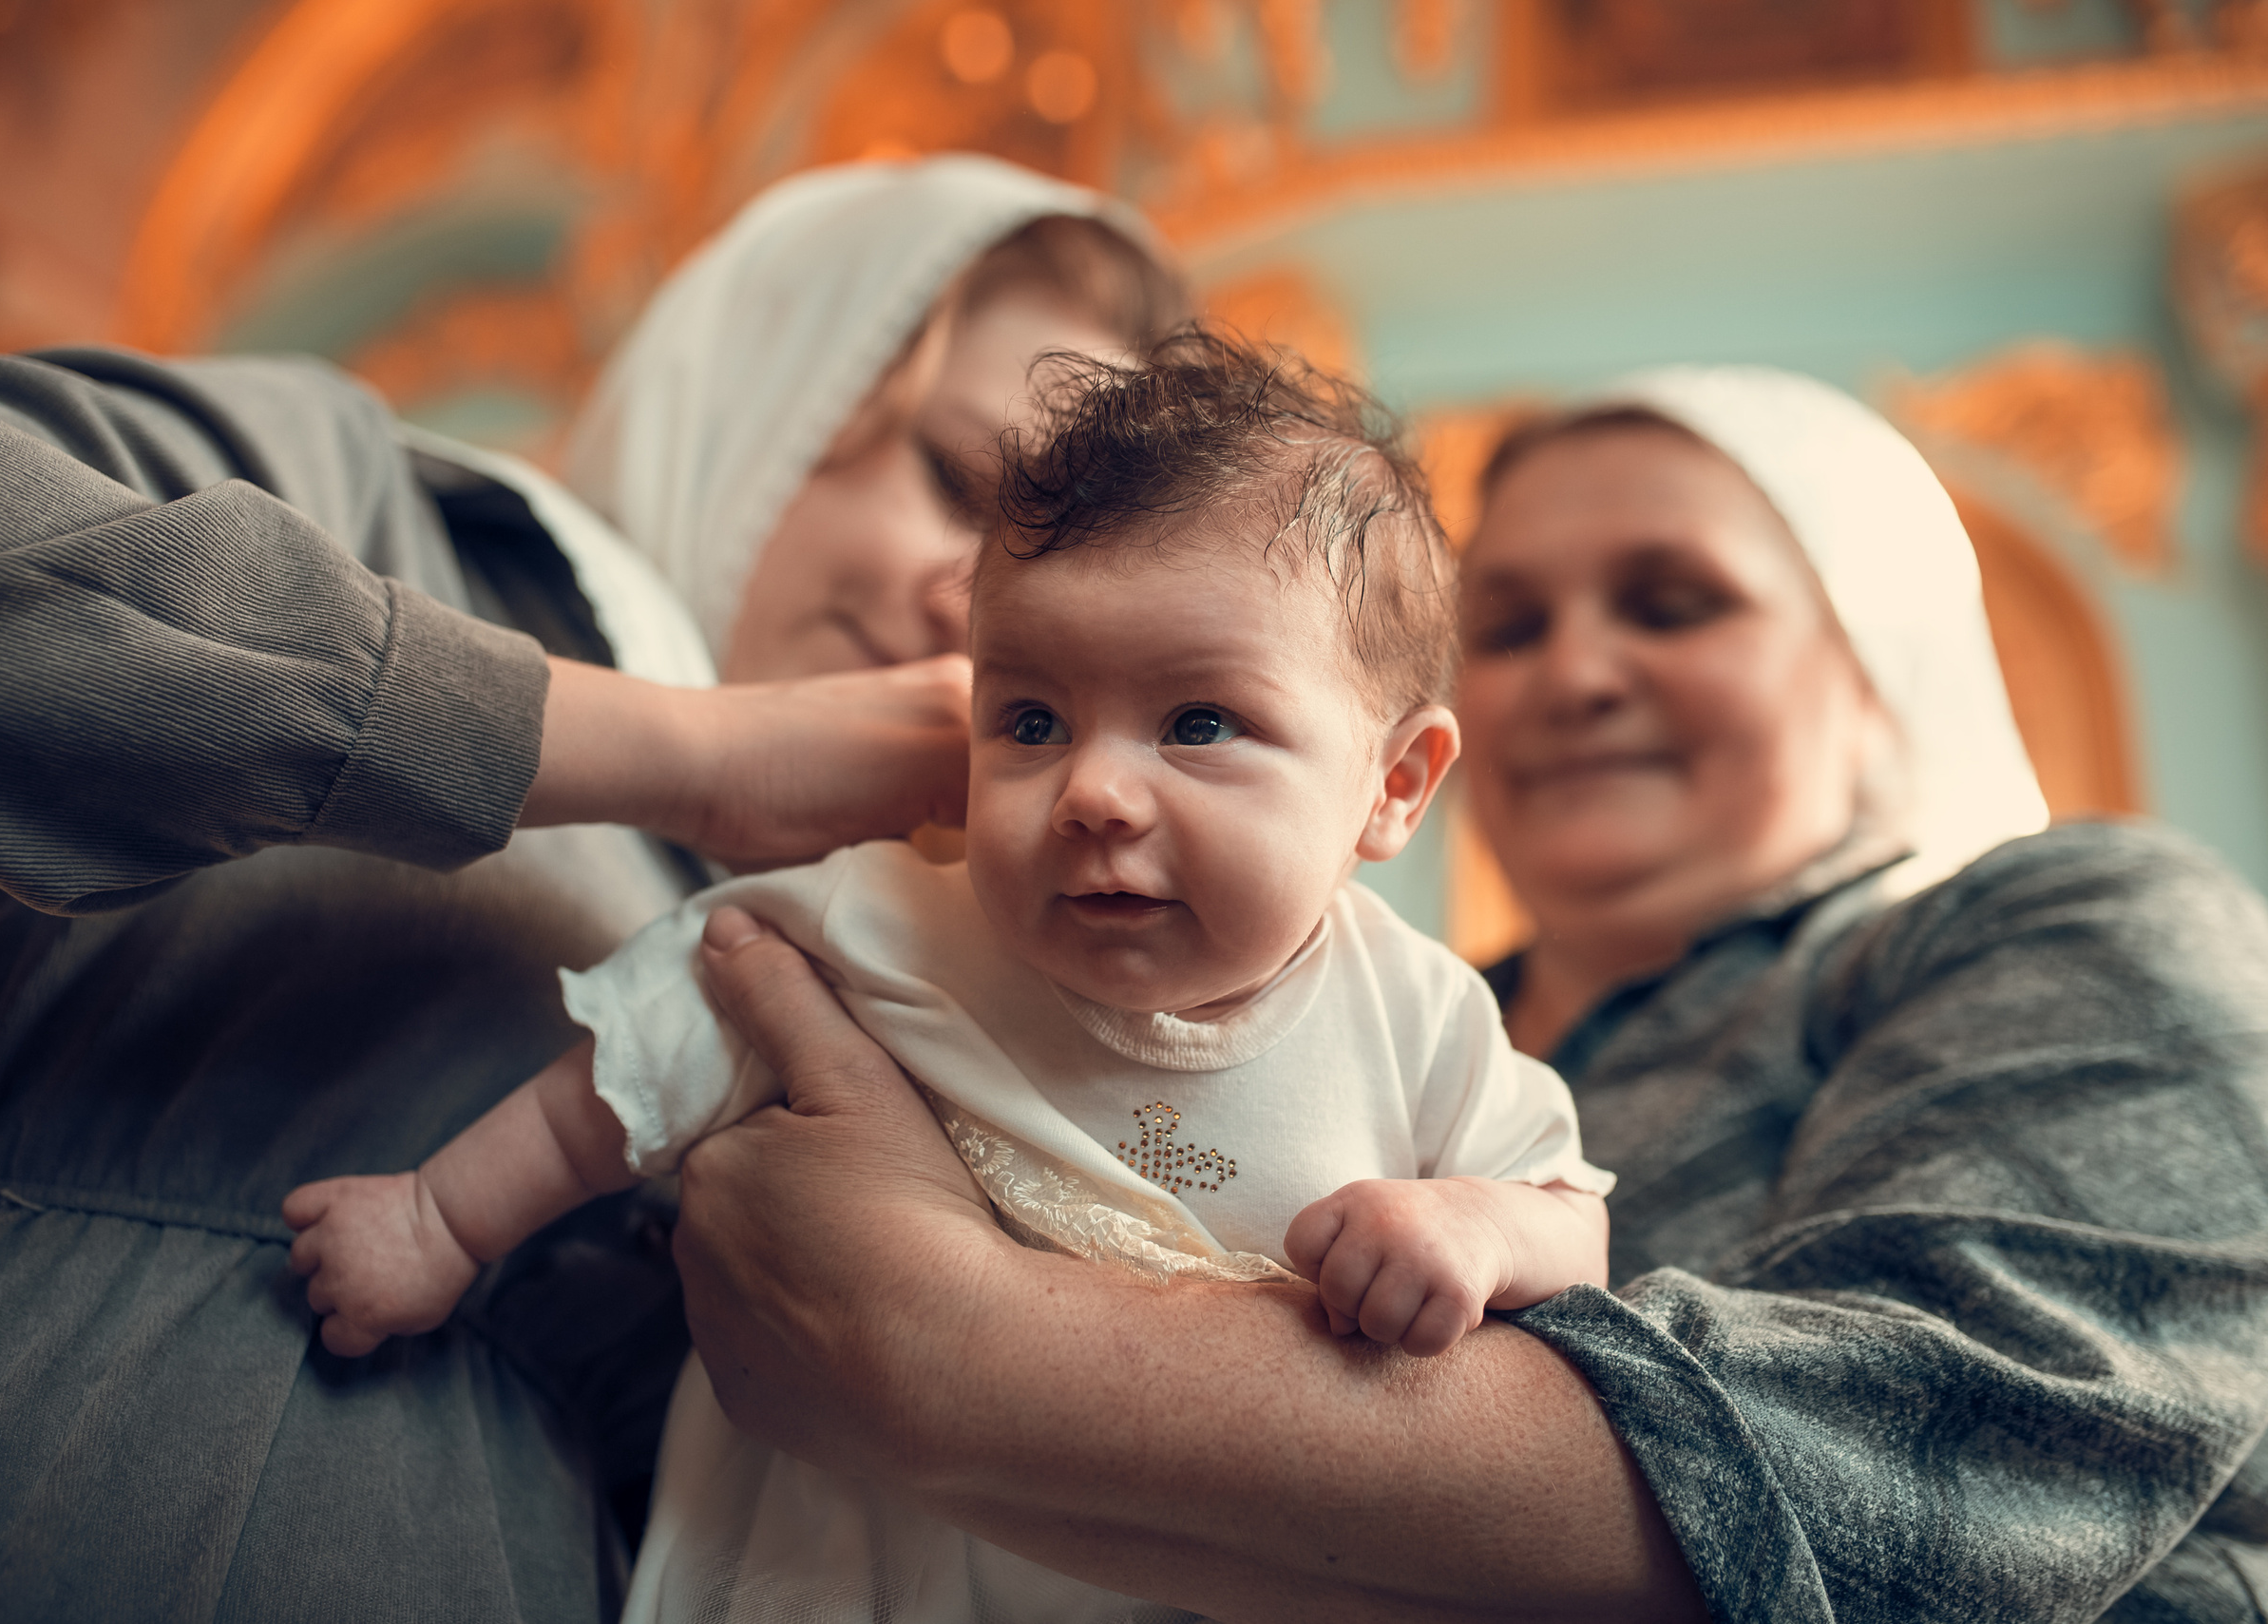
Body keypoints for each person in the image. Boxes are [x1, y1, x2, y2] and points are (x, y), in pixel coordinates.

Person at [659, 365, 2268, 1622]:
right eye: (1505, 623)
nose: (1567, 673)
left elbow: (1961, 1459)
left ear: (1874, 658)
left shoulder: (2069, 915)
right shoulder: (1274, 1004)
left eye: (1670, 600)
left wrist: (956, 1345)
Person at [0, 154, 1185, 1622]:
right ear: (783, 375)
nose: (974, 602)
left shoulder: (905, 972)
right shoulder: (369, 495)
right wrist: (688, 749)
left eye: (1042, 566)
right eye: (958, 482)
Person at [282, 333, 1612, 1622]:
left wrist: (1476, 1233)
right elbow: (643, 1059)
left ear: (1392, 785)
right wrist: (441, 1220)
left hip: (1213, 1559)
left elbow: (1570, 1213)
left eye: (1199, 722)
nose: (1092, 789)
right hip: (848, 1555)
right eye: (1030, 720)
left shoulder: (1421, 1013)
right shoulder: (887, 925)